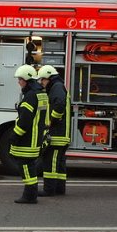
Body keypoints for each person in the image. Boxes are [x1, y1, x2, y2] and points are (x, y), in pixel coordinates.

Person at [10, 64, 49, 204]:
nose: (18, 82)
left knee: (26, 166)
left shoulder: (30, 96)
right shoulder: (41, 93)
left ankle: (30, 195)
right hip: (36, 137)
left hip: (28, 139)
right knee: (30, 166)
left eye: (20, 79)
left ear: (26, 79)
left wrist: (15, 135)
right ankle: (31, 194)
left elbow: (25, 120)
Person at [36, 64, 71, 196]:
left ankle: (49, 190)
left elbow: (59, 104)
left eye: (43, 80)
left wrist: (52, 120)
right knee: (60, 164)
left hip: (57, 135)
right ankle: (60, 189)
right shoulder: (59, 86)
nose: (42, 83)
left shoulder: (56, 87)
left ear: (49, 78)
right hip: (62, 135)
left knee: (50, 162)